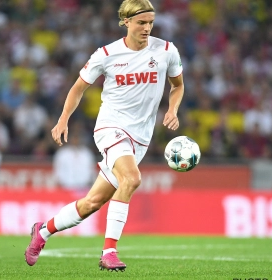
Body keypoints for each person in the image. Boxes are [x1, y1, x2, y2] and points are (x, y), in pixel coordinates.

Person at [24, 0, 184, 271]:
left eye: (150, 23)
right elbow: (77, 89)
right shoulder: (106, 54)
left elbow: (177, 85)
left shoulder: (166, 50)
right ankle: (109, 251)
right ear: (126, 22)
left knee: (92, 203)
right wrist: (63, 120)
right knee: (132, 179)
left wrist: (173, 109)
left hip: (141, 137)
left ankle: (42, 231)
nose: (147, 28)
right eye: (141, 23)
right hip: (111, 127)